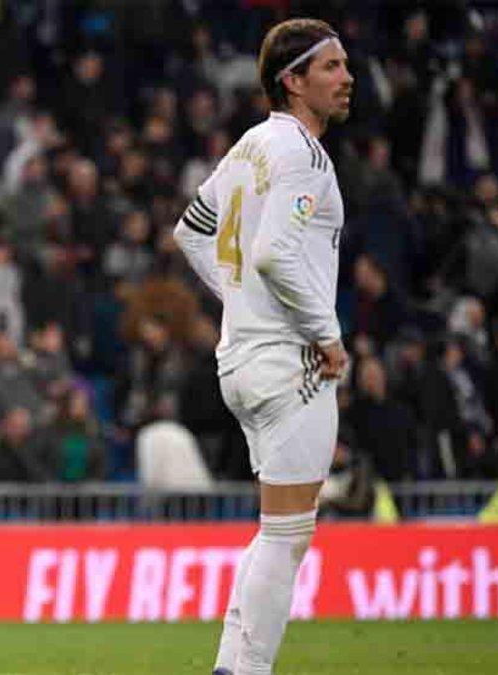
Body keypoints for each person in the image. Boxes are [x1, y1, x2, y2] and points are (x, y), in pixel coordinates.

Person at [172, 18, 353, 675]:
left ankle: (230, 666)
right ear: (293, 80)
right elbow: (276, 252)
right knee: (288, 534)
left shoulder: (249, 145)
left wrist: (238, 299)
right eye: (330, 66)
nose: (346, 77)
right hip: (290, 363)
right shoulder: (305, 155)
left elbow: (191, 232)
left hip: (240, 359)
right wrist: (325, 333)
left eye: (344, 64)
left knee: (275, 529)